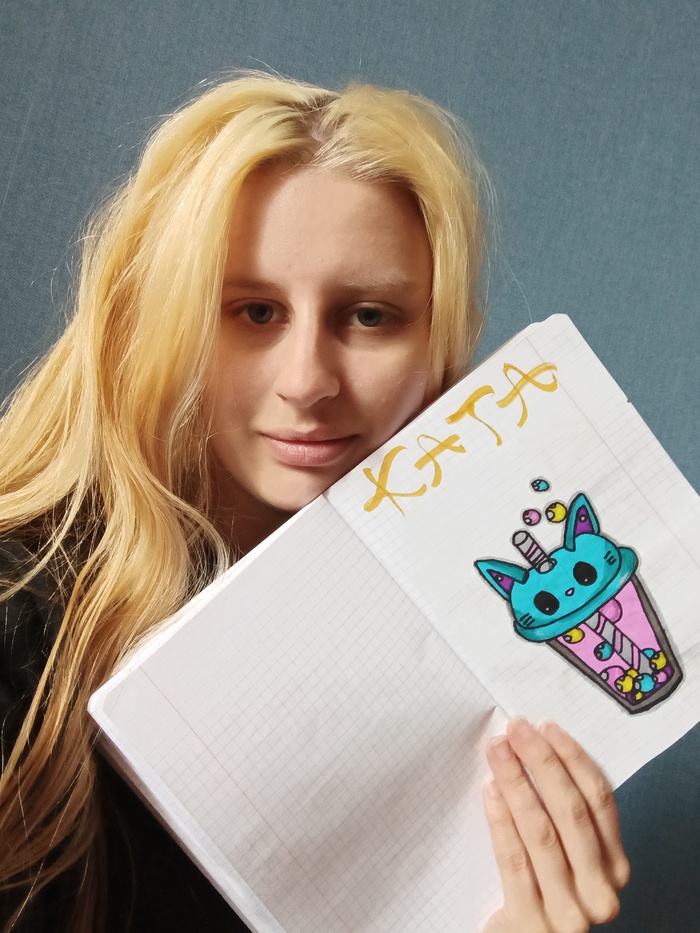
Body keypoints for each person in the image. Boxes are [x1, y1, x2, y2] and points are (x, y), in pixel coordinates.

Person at [0, 72, 629, 933]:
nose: (307, 382)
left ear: (440, 341)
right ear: (156, 321)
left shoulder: (482, 658)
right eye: (254, 311)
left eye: (369, 316)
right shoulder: (21, 624)